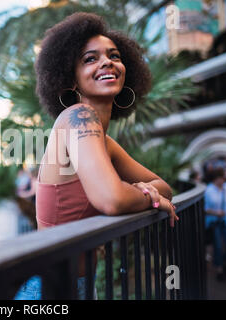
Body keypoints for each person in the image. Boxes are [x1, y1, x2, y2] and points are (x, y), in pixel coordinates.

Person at [14, 12, 178, 300]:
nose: (107, 62)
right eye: (90, 59)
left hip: (75, 285)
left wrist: (143, 190)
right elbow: (111, 200)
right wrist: (147, 195)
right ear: (71, 80)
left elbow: (164, 186)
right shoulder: (78, 116)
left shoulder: (105, 141)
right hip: (48, 290)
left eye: (114, 55)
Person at [204, 168, 226, 281]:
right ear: (216, 178)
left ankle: (225, 263)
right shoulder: (209, 190)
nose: (223, 180)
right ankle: (220, 269)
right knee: (218, 247)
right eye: (221, 177)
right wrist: (216, 212)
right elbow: (205, 208)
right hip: (215, 222)